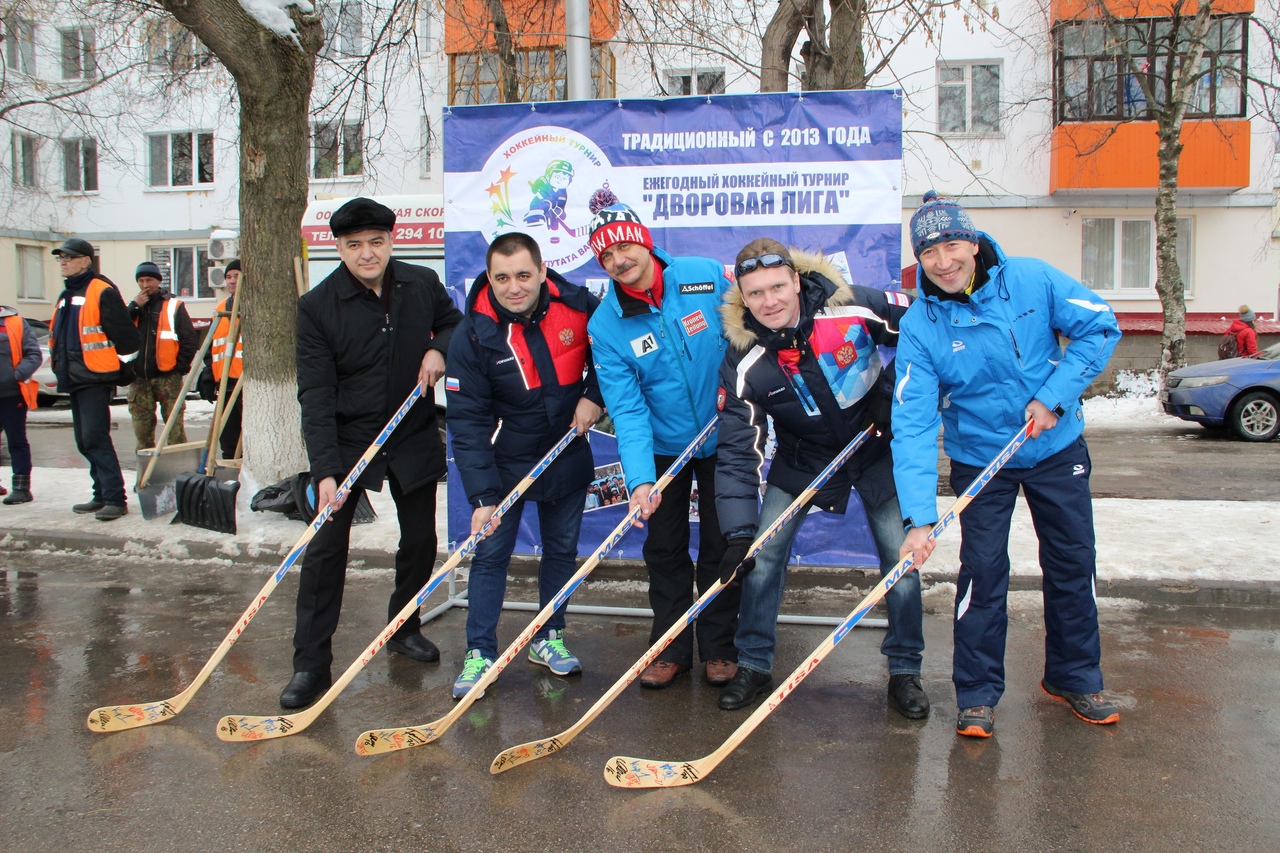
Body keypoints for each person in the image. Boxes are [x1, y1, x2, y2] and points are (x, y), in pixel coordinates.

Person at [892, 191, 1122, 738]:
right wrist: (919, 518)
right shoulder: (922, 325)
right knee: (984, 572)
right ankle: (976, 693)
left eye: (952, 244)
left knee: (1071, 562)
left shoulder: (1033, 279)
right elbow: (916, 423)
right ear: (918, 260)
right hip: (981, 460)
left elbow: (1101, 326)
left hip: (1054, 447)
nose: (943, 262)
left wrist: (1055, 395)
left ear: (972, 242)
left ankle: (1074, 675)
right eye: (929, 253)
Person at [714, 239, 928, 717]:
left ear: (796, 280)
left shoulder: (849, 305)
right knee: (762, 556)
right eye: (755, 293)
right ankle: (753, 663)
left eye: (777, 287)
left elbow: (925, 329)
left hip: (875, 448)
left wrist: (891, 391)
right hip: (803, 458)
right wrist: (739, 531)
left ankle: (905, 669)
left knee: (902, 559)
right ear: (742, 298)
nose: (769, 302)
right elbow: (736, 449)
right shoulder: (743, 357)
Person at [282, 197, 463, 709]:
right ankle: (311, 665)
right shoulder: (317, 307)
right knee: (325, 552)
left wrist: (439, 348)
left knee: (420, 539)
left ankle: (404, 626)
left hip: (410, 429)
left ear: (391, 241)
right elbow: (314, 395)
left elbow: (453, 323)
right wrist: (324, 472)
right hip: (347, 439)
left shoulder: (420, 284)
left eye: (376, 242)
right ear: (338, 248)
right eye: (355, 245)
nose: (367, 253)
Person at [585, 199, 739, 689]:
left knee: (723, 544)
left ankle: (719, 646)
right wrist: (641, 481)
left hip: (723, 436)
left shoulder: (705, 275)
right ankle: (670, 645)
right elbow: (627, 409)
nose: (618, 260)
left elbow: (748, 332)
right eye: (606, 256)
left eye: (624, 245)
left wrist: (735, 391)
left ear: (644, 238)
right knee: (665, 548)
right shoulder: (606, 325)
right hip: (662, 446)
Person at [445, 231, 603, 698]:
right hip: (504, 462)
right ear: (489, 278)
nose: (513, 287)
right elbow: (467, 421)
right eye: (502, 278)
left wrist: (594, 397)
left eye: (523, 275)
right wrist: (481, 496)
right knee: (491, 556)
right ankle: (480, 653)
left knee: (561, 552)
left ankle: (548, 636)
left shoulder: (578, 306)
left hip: (566, 452)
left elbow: (611, 362)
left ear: (541, 271)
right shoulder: (473, 332)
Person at [48, 238, 140, 521]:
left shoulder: (101, 290)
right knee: (83, 440)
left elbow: (128, 339)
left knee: (94, 437)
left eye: (69, 257)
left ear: (86, 260)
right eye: (60, 257)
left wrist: (122, 371)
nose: (63, 261)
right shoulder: (67, 295)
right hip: (74, 376)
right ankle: (101, 495)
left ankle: (115, 498)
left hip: (95, 377)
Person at [128, 262, 198, 450]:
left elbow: (189, 340)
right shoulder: (133, 308)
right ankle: (145, 475)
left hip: (167, 376)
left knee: (174, 432)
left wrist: (180, 369)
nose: (145, 285)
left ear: (158, 281)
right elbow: (121, 332)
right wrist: (134, 307)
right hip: (139, 378)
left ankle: (178, 471)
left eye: (149, 280)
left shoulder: (173, 305)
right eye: (141, 281)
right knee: (142, 432)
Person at [0, 305, 40, 504]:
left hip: (11, 395)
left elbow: (34, 354)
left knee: (16, 441)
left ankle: (22, 489)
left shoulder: (15, 322)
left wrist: (16, 376)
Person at [206, 259, 243, 459]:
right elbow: (211, 347)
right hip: (226, 384)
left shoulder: (255, 308)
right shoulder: (220, 309)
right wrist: (208, 373)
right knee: (228, 439)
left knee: (246, 441)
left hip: (246, 384)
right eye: (228, 277)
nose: (231, 281)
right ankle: (231, 480)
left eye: (237, 276)